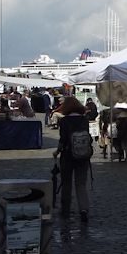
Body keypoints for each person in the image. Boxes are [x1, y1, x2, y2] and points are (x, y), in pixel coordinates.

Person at [53, 96, 92, 224]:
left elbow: (63, 140)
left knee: (67, 184)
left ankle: (65, 210)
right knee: (81, 184)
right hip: (83, 156)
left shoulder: (64, 121)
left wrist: (57, 151)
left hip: (68, 156)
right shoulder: (84, 119)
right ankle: (84, 210)